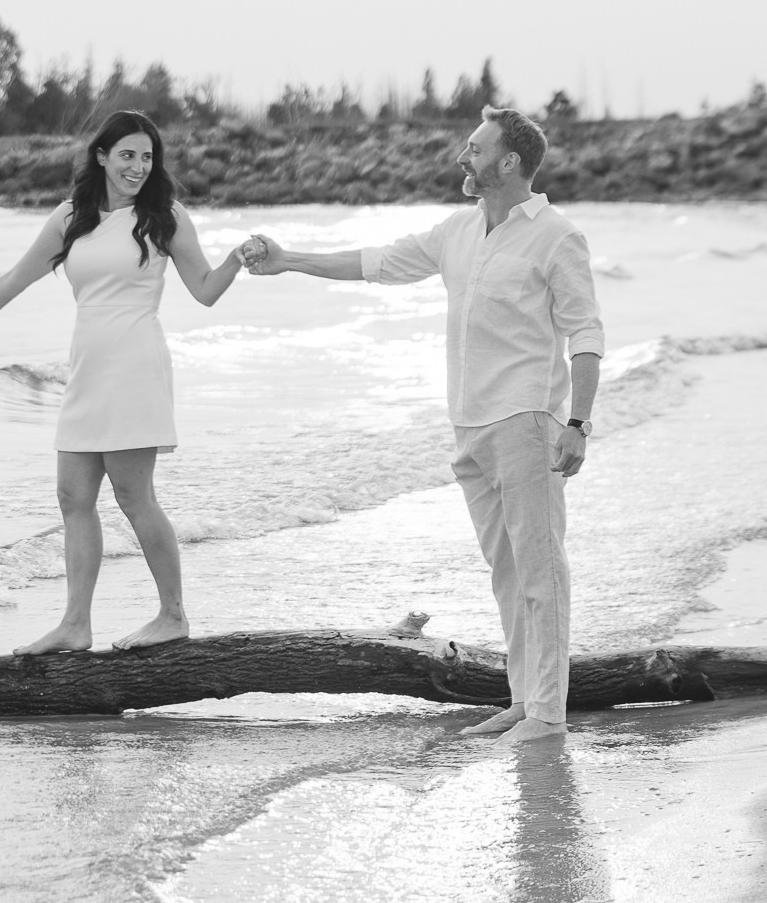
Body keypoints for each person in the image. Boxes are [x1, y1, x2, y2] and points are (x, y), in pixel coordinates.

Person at [243, 107, 604, 744]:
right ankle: (525, 702)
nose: (463, 159)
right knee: (508, 574)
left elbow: (586, 332)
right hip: (469, 426)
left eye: (474, 148)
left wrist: (578, 421)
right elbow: (378, 261)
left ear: (509, 162)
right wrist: (289, 260)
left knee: (542, 571)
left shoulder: (556, 235)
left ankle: (549, 715)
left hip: (527, 421)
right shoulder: (458, 232)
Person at [0, 110, 246, 655]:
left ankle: (173, 616)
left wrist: (236, 258)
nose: (138, 167)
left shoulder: (164, 217)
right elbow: (14, 280)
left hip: (136, 366)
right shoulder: (72, 217)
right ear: (102, 157)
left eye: (146, 157)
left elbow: (205, 289)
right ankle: (75, 626)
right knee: (73, 496)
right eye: (127, 156)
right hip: (88, 367)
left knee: (133, 494)